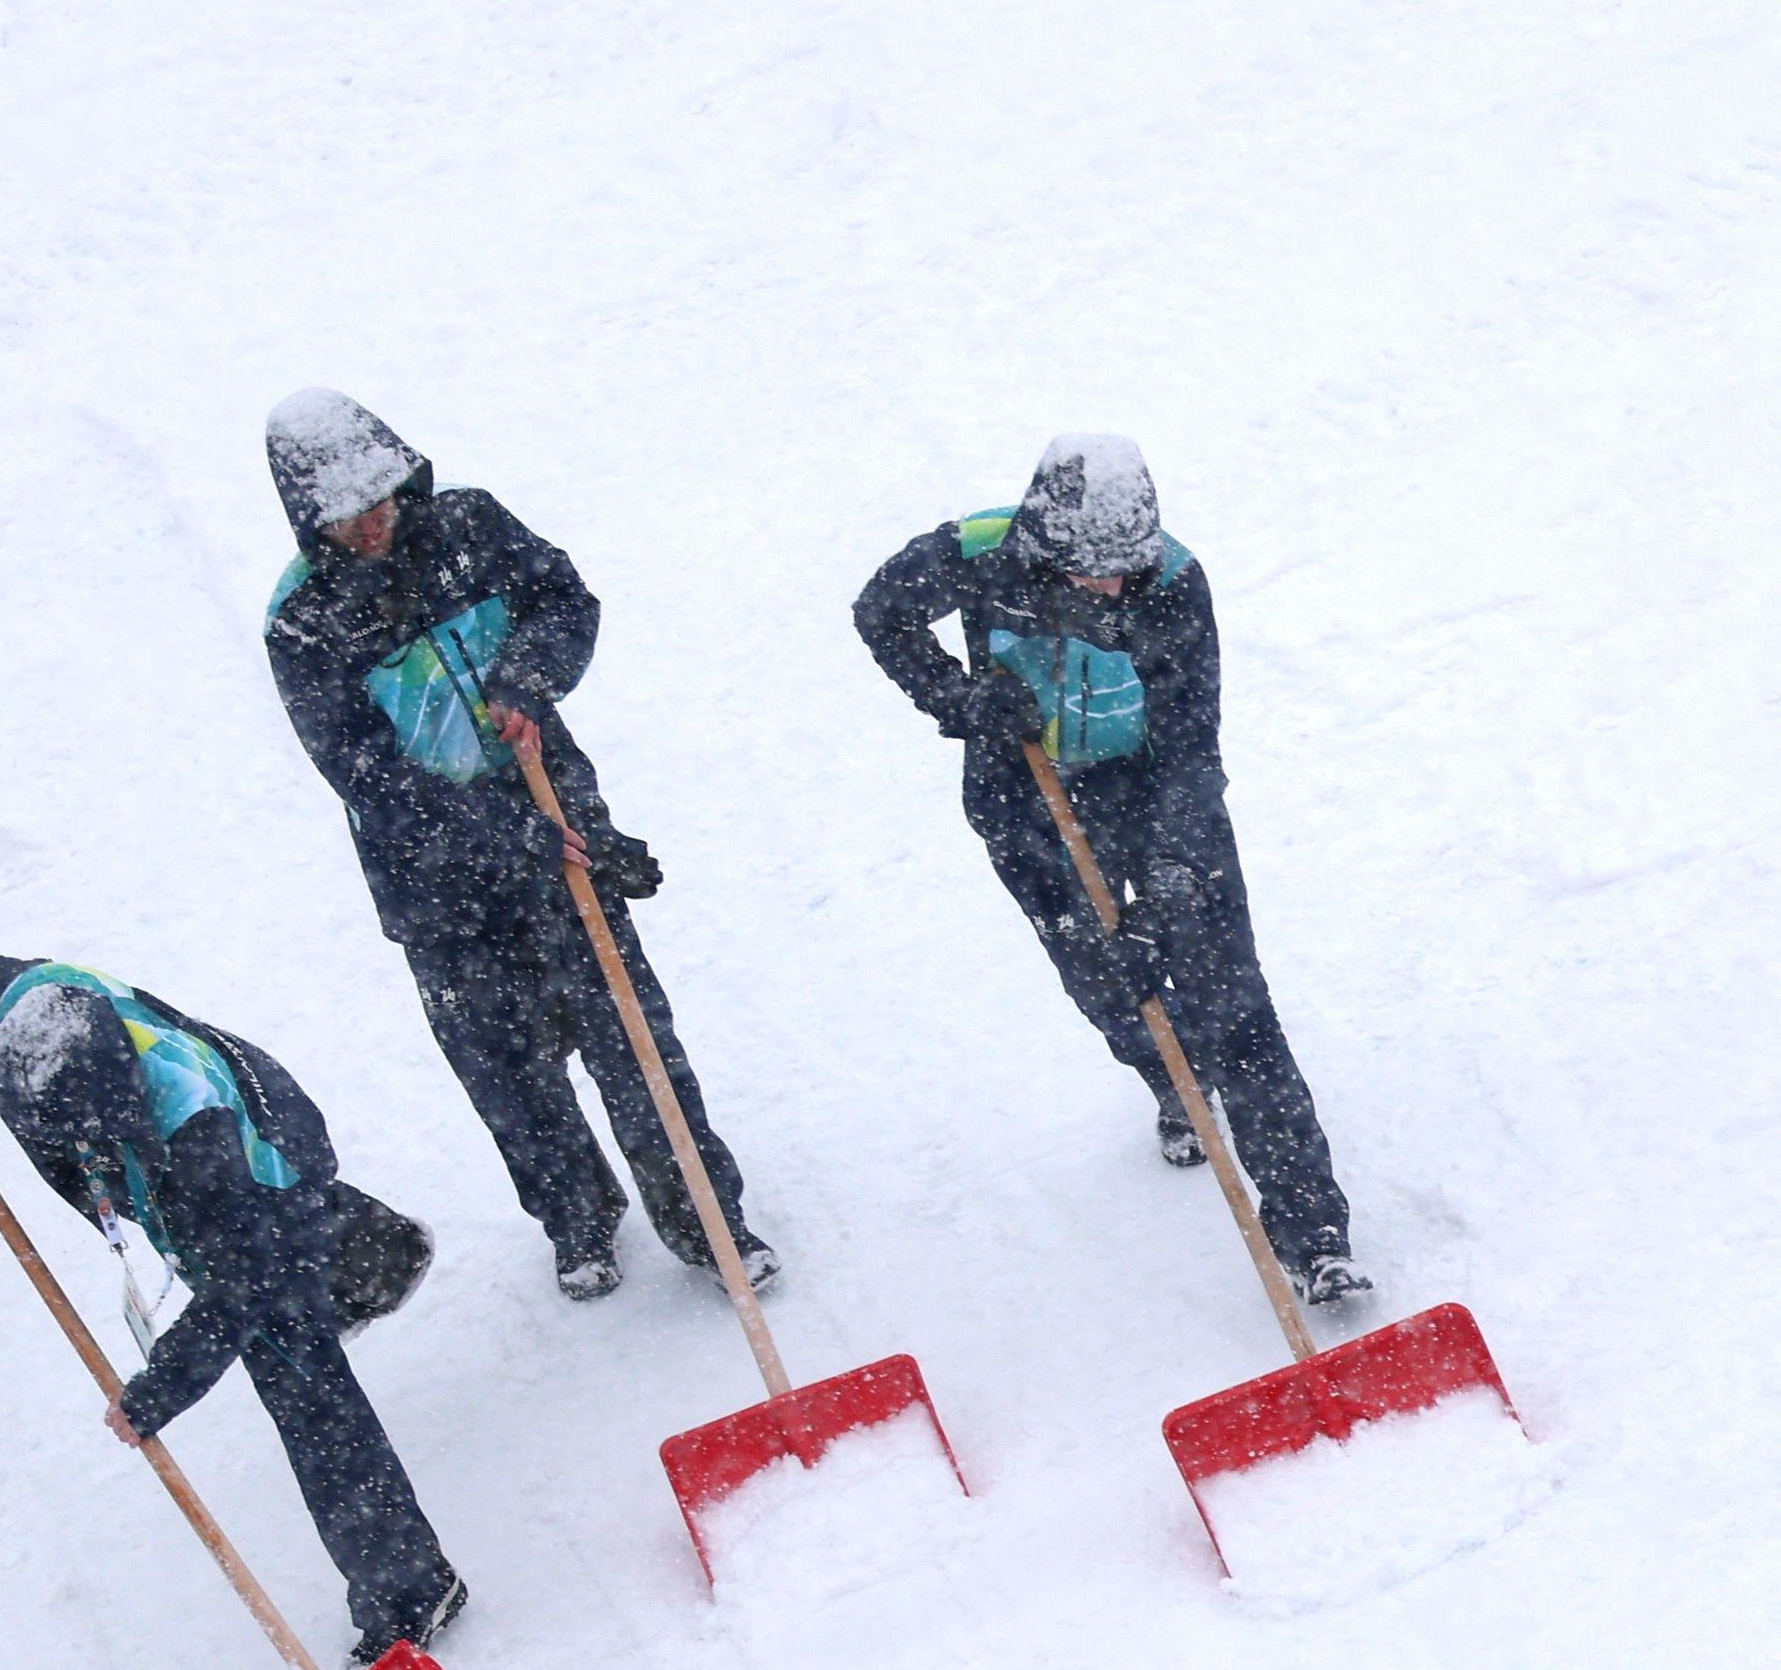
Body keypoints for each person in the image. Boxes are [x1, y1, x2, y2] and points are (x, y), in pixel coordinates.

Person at [260, 389, 773, 1304]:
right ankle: (578, 1220)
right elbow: (363, 771)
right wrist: (503, 834)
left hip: (556, 816)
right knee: (510, 1072)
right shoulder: (302, 621)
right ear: (309, 518)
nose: (371, 525)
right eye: (345, 516)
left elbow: (565, 599)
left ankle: (707, 1218)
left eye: (380, 500)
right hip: (434, 880)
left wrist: (527, 677)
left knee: (631, 1037)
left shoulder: (470, 526)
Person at [851, 435, 1369, 1305]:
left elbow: (1192, 750)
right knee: (1106, 984)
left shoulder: (1174, 581)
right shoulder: (978, 552)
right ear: (1044, 542)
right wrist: (961, 698)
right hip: (1027, 799)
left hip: (1153, 789)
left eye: (1123, 570)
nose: (1110, 587)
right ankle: (1174, 1083)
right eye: (1091, 571)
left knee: (1234, 1007)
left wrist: (1168, 890)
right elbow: (880, 613)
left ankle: (1315, 1236)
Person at [0, 948, 465, 1670]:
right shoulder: (4, 1005)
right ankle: (382, 1255)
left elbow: (237, 1289)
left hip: (266, 1149)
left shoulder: (201, 1139)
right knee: (278, 1243)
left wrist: (156, 1392)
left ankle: (413, 1591)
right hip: (217, 1187)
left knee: (303, 1381)